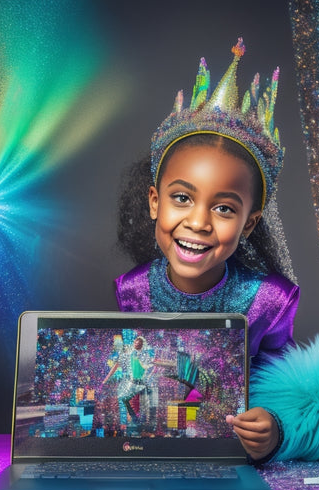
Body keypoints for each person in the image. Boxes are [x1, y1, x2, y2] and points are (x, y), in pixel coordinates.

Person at [115, 39, 299, 463]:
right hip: (157, 457)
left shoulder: (270, 300)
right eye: (182, 198)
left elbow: (286, 390)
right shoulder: (132, 290)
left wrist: (273, 427)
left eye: (223, 208)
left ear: (249, 223)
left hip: (233, 461)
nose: (198, 222)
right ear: (154, 202)